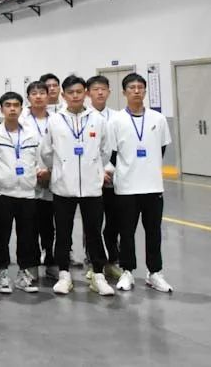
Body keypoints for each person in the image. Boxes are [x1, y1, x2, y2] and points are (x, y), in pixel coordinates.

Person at [40, 75, 114, 296]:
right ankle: (64, 274)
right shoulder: (54, 121)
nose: (75, 96)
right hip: (63, 187)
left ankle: (98, 275)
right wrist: (60, 169)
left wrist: (95, 170)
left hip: (92, 187)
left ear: (85, 94)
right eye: (71, 92)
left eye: (79, 92)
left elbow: (105, 150)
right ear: (63, 95)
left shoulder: (97, 120)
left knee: (94, 232)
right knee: (63, 232)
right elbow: (46, 152)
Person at [109, 73, 173, 293]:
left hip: (153, 186)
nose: (136, 91)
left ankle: (155, 272)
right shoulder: (116, 120)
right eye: (132, 88)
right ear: (124, 92)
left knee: (153, 232)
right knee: (126, 232)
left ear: (145, 91)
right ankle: (127, 271)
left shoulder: (158, 119)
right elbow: (112, 153)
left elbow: (161, 149)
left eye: (140, 87)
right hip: (126, 187)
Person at [0, 92, 42, 294]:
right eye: (8, 105)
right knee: (2, 236)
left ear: (21, 108)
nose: (12, 109)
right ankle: (2, 271)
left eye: (16, 105)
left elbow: (39, 160)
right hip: (2, 192)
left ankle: (23, 273)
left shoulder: (31, 134)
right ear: (1, 109)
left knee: (26, 236)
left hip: (27, 193)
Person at [21, 80, 57, 280]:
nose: (38, 96)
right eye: (34, 93)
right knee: (30, 227)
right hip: (30, 180)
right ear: (28, 97)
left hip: (53, 178)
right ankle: (32, 265)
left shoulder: (58, 119)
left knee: (50, 227)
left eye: (42, 93)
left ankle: (51, 262)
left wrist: (50, 171)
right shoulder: (21, 121)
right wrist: (35, 172)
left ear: (48, 95)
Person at [86, 75, 121, 279]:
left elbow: (118, 148)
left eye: (103, 89)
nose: (100, 92)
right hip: (91, 180)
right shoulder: (83, 116)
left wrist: (109, 170)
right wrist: (99, 172)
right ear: (88, 93)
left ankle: (112, 261)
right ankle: (94, 262)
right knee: (93, 225)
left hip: (113, 179)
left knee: (113, 223)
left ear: (109, 91)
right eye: (95, 89)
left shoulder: (117, 117)